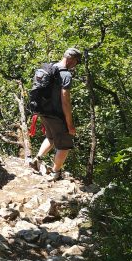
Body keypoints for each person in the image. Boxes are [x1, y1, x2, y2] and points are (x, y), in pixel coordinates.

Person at [28, 48, 82, 181]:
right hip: (56, 114)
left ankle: (37, 160)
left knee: (51, 137)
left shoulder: (51, 67)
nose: (76, 65)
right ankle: (55, 173)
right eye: (76, 61)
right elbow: (65, 102)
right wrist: (70, 124)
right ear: (71, 59)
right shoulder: (65, 74)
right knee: (64, 146)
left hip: (43, 111)